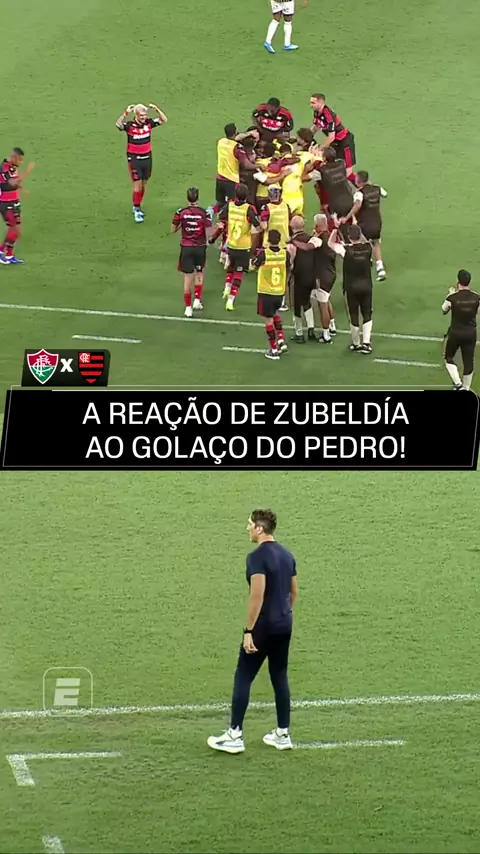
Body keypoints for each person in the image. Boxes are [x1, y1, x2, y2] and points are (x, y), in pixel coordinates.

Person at [207, 509, 298, 754]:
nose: (247, 528)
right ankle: (283, 734)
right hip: (284, 624)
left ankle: (235, 734)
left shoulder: (256, 557)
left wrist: (249, 630)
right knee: (279, 676)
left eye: (249, 524)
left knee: (244, 675)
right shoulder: (287, 555)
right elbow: (294, 593)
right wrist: (282, 615)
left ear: (260, 528)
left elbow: (257, 595)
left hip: (263, 627)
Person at [209, 184, 260, 310]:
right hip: (243, 246)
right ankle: (231, 300)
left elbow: (221, 217)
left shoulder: (230, 205)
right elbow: (257, 225)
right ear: (247, 195)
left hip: (231, 244)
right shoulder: (249, 209)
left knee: (230, 268)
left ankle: (227, 287)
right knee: (239, 273)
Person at [116, 103, 168, 223]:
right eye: (141, 115)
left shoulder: (148, 123)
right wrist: (125, 113)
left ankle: (138, 204)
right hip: (134, 159)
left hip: (147, 157)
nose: (144, 117)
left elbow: (164, 120)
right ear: (136, 115)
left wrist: (157, 109)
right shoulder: (130, 126)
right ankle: (136, 209)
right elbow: (118, 124)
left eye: (145, 115)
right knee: (137, 184)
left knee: (144, 184)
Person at [292, 214, 338, 343]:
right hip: (331, 273)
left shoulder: (319, 240)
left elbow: (307, 247)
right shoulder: (330, 237)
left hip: (322, 275)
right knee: (326, 299)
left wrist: (294, 241)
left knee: (322, 305)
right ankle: (332, 325)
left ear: (317, 225)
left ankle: (326, 335)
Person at [329, 225, 373, 353]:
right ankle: (366, 343)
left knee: (353, 314)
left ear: (349, 236)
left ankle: (356, 343)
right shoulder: (368, 248)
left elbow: (330, 243)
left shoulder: (345, 250)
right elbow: (365, 241)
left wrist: (335, 229)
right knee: (367, 314)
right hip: (366, 286)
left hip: (351, 287)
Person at [171, 188, 212, 317]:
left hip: (186, 248)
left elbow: (172, 229)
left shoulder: (180, 212)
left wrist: (182, 225)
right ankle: (197, 300)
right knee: (199, 273)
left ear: (187, 198)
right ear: (197, 198)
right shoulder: (204, 213)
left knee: (187, 278)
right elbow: (208, 230)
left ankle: (188, 308)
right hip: (200, 247)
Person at [345, 171, 388, 281]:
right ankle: (380, 268)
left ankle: (364, 265)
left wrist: (347, 217)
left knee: (360, 243)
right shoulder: (377, 189)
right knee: (376, 242)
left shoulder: (359, 193)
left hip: (364, 223)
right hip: (377, 221)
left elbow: (357, 205)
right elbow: (385, 194)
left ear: (359, 181)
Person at [253, 229, 289, 359]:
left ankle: (273, 350)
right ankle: (281, 340)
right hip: (279, 292)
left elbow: (255, 265)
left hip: (266, 291)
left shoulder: (264, 254)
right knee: (275, 314)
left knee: (268, 320)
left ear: (268, 240)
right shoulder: (285, 254)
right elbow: (289, 266)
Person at [442, 270, 480, 390]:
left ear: (458, 281)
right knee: (468, 362)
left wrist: (450, 294)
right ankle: (466, 389)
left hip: (456, 333)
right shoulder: (477, 297)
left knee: (448, 357)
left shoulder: (452, 297)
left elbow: (444, 310)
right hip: (471, 333)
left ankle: (458, 384)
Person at [0, 148, 35, 265]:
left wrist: (22, 189)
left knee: (15, 230)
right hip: (6, 203)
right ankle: (3, 254)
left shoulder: (12, 167)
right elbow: (12, 182)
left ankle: (6, 254)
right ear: (14, 157)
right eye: (20, 160)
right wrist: (28, 171)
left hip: (14, 202)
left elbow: (16, 182)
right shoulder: (4, 168)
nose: (21, 162)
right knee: (15, 230)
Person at [309, 94, 356, 177]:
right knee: (333, 163)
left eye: (313, 103)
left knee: (348, 169)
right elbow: (316, 126)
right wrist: (307, 136)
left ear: (320, 102)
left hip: (345, 142)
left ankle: (347, 183)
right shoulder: (317, 112)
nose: (310, 105)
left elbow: (331, 137)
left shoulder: (329, 116)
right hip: (335, 142)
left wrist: (319, 149)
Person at [289, 215, 318, 342]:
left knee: (296, 305)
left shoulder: (292, 242)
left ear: (291, 226)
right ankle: (311, 329)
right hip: (311, 275)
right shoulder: (311, 239)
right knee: (307, 302)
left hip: (298, 276)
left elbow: (290, 261)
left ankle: (299, 333)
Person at [215, 124, 259, 210]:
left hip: (220, 177)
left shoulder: (221, 142)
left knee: (220, 202)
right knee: (233, 203)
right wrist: (259, 166)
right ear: (235, 132)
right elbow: (246, 165)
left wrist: (249, 133)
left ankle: (212, 214)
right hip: (231, 180)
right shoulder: (237, 147)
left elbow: (236, 138)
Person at [317, 148, 354, 228]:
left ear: (324, 158)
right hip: (349, 199)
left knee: (337, 227)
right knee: (350, 225)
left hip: (335, 205)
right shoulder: (342, 163)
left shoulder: (322, 170)